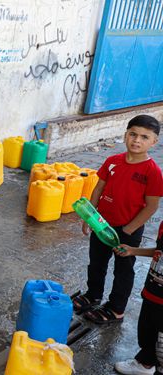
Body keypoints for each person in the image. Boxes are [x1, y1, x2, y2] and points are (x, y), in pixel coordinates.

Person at [72, 115, 163, 324]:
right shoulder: (112, 161)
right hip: (102, 225)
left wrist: (129, 230)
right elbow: (98, 189)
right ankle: (93, 295)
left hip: (129, 229)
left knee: (123, 270)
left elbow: (152, 206)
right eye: (132, 134)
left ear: (153, 142)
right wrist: (90, 216)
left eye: (144, 137)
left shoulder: (153, 172)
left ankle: (116, 309)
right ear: (125, 135)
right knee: (96, 263)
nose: (136, 140)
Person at [113, 223, 163, 375]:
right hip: (153, 290)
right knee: (147, 329)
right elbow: (159, 251)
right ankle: (145, 363)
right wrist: (133, 251)